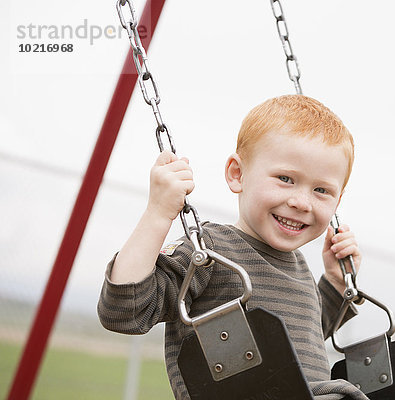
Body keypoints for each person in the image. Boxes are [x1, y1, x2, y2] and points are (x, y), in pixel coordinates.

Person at [98, 95, 368, 399]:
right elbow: (125, 311)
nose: (301, 202)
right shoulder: (212, 251)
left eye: (321, 190)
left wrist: (335, 282)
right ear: (237, 174)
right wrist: (158, 213)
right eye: (285, 179)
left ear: (338, 200)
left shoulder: (299, 265)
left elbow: (301, 344)